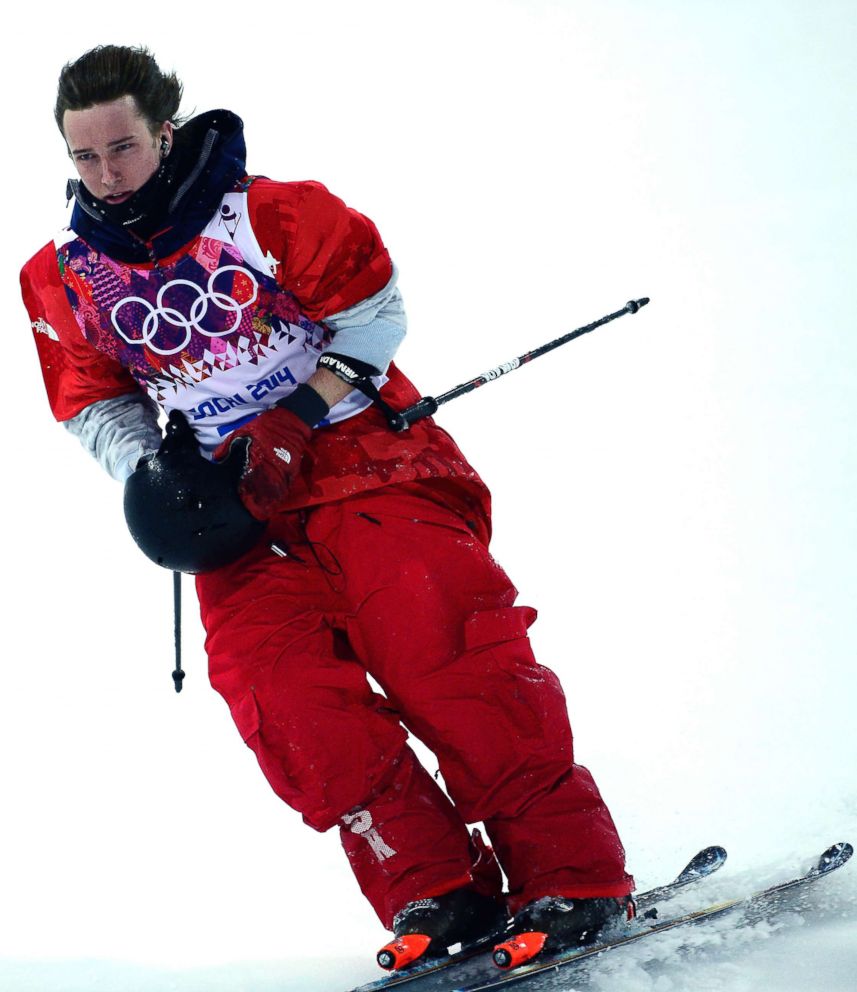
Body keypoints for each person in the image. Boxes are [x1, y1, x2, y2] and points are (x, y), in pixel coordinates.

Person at [21, 45, 634, 969]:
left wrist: (295, 416)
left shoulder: (270, 213)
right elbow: (91, 399)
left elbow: (373, 312)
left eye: (125, 149)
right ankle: (435, 891)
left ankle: (572, 876)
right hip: (233, 514)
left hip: (366, 466)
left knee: (449, 662)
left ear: (164, 132)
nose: (106, 174)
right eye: (85, 158)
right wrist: (154, 473)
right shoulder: (62, 275)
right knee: (289, 702)